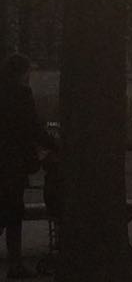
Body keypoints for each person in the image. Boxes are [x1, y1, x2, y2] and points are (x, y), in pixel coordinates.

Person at [0, 54, 54, 279]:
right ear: (22, 72)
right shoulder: (22, 94)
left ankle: (15, 264)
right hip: (13, 163)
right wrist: (54, 144)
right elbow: (32, 127)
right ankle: (15, 263)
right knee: (13, 212)